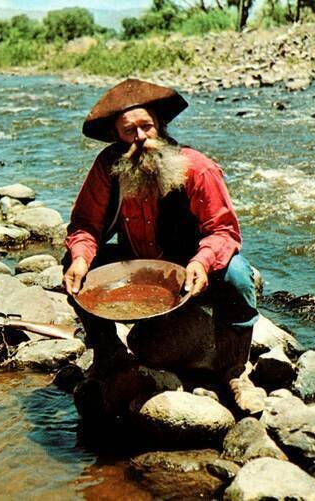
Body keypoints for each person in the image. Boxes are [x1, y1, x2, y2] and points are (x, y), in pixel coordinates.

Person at [63, 79, 260, 410]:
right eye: (129, 131)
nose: (140, 138)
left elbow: (223, 231)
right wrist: (80, 258)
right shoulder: (107, 167)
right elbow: (85, 226)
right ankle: (109, 354)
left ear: (161, 127)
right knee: (73, 265)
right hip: (138, 265)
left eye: (146, 127)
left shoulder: (197, 167)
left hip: (191, 267)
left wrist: (202, 262)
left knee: (238, 276)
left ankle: (235, 372)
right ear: (117, 136)